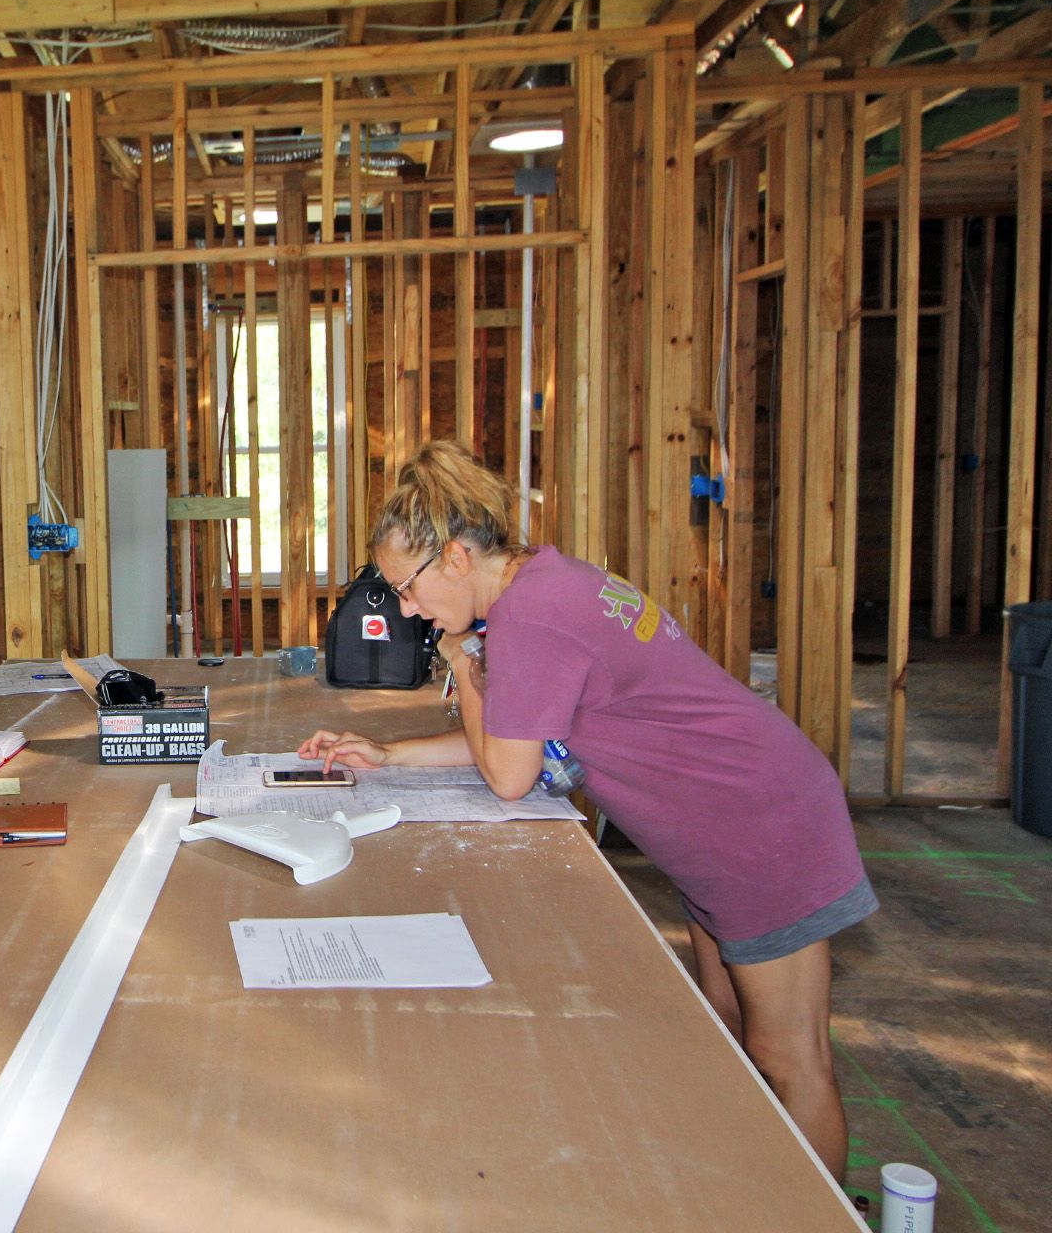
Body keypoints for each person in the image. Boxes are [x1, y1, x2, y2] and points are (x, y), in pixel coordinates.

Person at [299, 441, 874, 1180]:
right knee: (728, 1029)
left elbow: (508, 775)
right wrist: (392, 753)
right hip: (721, 823)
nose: (406, 609)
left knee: (789, 1056)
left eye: (406, 589)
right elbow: (522, 736)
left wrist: (458, 653)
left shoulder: (527, 619)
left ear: (454, 560)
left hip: (760, 823)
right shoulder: (542, 582)